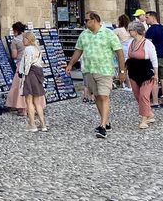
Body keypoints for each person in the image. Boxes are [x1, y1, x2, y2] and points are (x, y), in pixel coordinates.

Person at [64, 11, 126, 139]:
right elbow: (78, 50)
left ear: (95, 20)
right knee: (97, 96)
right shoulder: (84, 34)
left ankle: (102, 126)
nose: (85, 22)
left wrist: (122, 71)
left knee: (104, 96)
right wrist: (70, 64)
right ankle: (106, 121)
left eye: (87, 20)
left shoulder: (108, 34)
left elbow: (119, 53)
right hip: (89, 70)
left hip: (105, 71)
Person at [125, 21, 158, 129]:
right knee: (137, 95)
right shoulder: (130, 43)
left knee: (144, 95)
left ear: (136, 31)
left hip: (146, 72)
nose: (129, 32)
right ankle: (149, 113)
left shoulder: (148, 43)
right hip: (133, 71)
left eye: (131, 30)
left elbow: (154, 59)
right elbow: (127, 57)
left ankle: (144, 119)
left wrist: (156, 74)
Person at [19, 31, 47, 132]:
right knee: (37, 102)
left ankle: (32, 124)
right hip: (37, 75)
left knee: (29, 101)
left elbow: (27, 64)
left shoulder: (28, 49)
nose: (22, 41)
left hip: (30, 76)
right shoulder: (37, 49)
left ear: (28, 39)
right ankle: (43, 124)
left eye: (24, 39)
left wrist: (23, 75)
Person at [144, 10, 163, 106]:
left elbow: (148, 45)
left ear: (153, 17)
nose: (146, 19)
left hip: (153, 58)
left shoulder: (150, 30)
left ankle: (155, 101)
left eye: (147, 17)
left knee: (154, 79)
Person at [5, 21, 29, 115]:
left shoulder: (15, 41)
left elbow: (14, 55)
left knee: (20, 86)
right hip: (31, 64)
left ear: (15, 30)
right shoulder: (28, 37)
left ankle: (23, 108)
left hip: (21, 64)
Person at [114, 15, 132, 91]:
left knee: (123, 68)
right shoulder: (130, 29)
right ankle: (128, 84)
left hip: (122, 50)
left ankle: (128, 85)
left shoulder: (118, 30)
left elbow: (111, 35)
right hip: (130, 49)